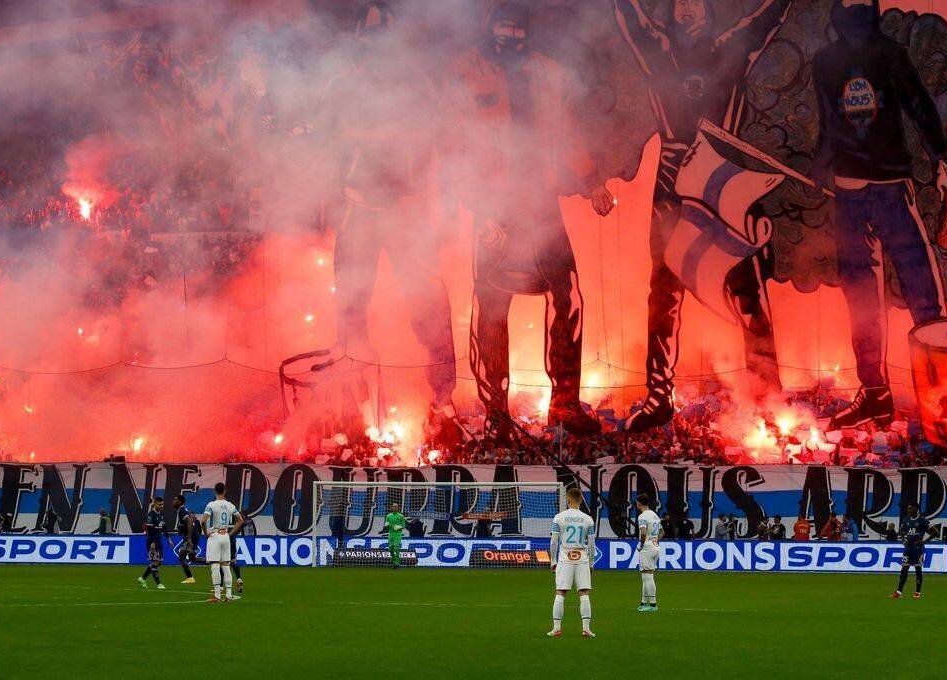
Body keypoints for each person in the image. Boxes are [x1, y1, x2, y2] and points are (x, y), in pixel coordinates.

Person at [612, 0, 792, 431]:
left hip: (720, 177)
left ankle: (768, 395)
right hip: (674, 180)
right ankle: (659, 397)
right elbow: (629, 16)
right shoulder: (658, 50)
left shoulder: (729, 50)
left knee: (747, 286)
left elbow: (769, 16)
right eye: (679, 4)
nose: (687, 9)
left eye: (695, 2)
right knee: (664, 292)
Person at [447, 1, 615, 443]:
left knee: (571, 294)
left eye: (518, 29)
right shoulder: (466, 72)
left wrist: (593, 180)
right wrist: (478, 208)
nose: (511, 36)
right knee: (491, 305)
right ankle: (496, 413)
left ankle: (563, 404)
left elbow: (567, 133)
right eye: (503, 27)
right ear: (490, 27)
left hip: (541, 203)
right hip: (495, 207)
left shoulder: (548, 74)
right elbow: (456, 147)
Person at [314, 2, 462, 442]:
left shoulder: (421, 86)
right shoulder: (342, 87)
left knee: (429, 308)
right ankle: (355, 413)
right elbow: (324, 148)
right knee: (351, 314)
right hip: (359, 212)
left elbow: (448, 141)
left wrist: (443, 207)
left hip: (407, 214)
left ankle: (444, 402)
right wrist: (328, 203)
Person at [811, 0, 947, 429]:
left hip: (891, 189)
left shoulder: (889, 54)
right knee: (862, 302)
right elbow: (828, 125)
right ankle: (875, 394)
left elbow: (918, 105)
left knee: (922, 290)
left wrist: (940, 158)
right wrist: (822, 169)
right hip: (850, 193)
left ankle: (946, 396)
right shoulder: (825, 62)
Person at [548, 487, 596, 637]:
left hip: (565, 557)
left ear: (568, 500)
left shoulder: (559, 517)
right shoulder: (588, 519)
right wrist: (591, 563)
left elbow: (553, 542)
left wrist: (553, 561)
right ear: (581, 499)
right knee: (584, 592)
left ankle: (556, 628)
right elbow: (591, 544)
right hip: (581, 557)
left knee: (560, 592)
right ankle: (586, 629)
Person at [202, 482, 243, 603]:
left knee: (215, 565)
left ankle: (217, 595)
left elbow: (203, 520)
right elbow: (240, 520)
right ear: (224, 491)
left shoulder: (211, 504)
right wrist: (230, 534)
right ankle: (229, 595)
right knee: (226, 565)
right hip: (225, 535)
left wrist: (206, 533)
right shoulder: (230, 505)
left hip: (214, 536)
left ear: (214, 491)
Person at [891, 502, 932, 599]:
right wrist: (903, 541)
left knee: (918, 570)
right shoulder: (906, 519)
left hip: (918, 549)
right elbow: (901, 530)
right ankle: (898, 592)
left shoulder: (923, 520)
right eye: (908, 508)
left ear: (916, 509)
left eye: (910, 508)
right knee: (904, 569)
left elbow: (935, 532)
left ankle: (917, 593)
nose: (908, 510)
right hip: (908, 549)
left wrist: (924, 541)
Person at [635, 493, 661, 612]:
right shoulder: (655, 515)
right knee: (645, 576)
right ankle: (644, 602)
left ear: (639, 503)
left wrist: (641, 544)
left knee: (648, 576)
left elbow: (643, 532)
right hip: (655, 546)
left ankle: (653, 604)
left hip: (647, 547)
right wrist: (655, 541)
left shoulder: (642, 517)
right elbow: (662, 532)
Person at [137, 496, 168, 590]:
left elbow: (164, 527)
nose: (161, 506)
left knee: (158, 562)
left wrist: (169, 538)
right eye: (159, 504)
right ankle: (158, 584)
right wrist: (153, 542)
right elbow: (149, 530)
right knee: (155, 561)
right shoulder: (151, 515)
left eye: (162, 504)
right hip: (152, 541)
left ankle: (142, 578)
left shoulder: (161, 514)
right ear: (154, 504)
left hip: (159, 540)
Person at [173, 493, 203, 584]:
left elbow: (189, 523)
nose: (174, 501)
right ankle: (214, 563)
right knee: (193, 558)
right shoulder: (182, 510)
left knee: (181, 557)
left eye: (175, 500)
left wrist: (188, 538)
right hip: (193, 535)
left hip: (191, 537)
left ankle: (190, 578)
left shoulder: (182, 510)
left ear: (180, 501)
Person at [231, 513, 256, 594]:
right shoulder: (249, 519)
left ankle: (220, 587)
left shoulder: (227, 520)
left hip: (225, 539)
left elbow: (239, 527)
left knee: (222, 564)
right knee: (233, 562)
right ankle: (239, 579)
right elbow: (254, 528)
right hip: (233, 540)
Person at [385, 502, 407, 569]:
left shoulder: (401, 516)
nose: (394, 507)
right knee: (390, 549)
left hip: (398, 534)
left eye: (396, 506)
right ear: (391, 507)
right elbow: (387, 523)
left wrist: (399, 527)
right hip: (391, 534)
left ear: (398, 508)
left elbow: (404, 525)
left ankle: (397, 564)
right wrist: (386, 525)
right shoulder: (388, 516)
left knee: (396, 548)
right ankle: (394, 563)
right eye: (393, 506)